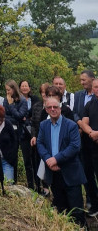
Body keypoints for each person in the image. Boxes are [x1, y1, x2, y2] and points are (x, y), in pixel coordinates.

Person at [37, 95, 86, 226]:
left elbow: (75, 146)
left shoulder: (71, 125)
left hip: (71, 174)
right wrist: (48, 160)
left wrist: (56, 159)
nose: (53, 109)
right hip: (54, 173)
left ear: (60, 108)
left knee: (77, 211)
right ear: (46, 110)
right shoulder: (43, 125)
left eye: (55, 107)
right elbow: (40, 144)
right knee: (61, 210)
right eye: (50, 107)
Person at [73, 70, 97, 211]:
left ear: (92, 80)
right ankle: (92, 201)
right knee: (87, 171)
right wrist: (83, 127)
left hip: (94, 136)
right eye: (80, 80)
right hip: (85, 139)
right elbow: (77, 114)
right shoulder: (80, 97)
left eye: (84, 80)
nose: (82, 83)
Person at [80, 77, 98, 217]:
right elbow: (83, 122)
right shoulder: (90, 104)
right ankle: (95, 206)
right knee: (89, 176)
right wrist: (91, 132)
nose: (97, 90)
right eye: (96, 87)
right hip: (90, 147)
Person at [19, 80, 40, 190]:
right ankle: (31, 186)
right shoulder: (17, 100)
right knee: (27, 160)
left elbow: (36, 114)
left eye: (26, 86)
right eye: (22, 86)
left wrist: (26, 117)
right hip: (23, 134)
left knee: (36, 160)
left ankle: (39, 185)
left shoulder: (35, 99)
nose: (24, 88)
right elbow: (17, 115)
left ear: (29, 88)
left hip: (34, 133)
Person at [0, 105, 17, 182]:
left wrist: (12, 156)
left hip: (6, 160)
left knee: (9, 182)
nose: (1, 121)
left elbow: (14, 141)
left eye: (2, 119)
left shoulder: (8, 124)